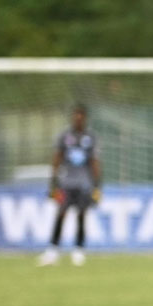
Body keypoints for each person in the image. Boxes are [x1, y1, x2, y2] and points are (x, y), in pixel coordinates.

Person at [39, 104, 101, 267]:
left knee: (81, 215)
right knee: (60, 214)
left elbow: (95, 163)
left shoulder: (90, 138)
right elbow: (57, 159)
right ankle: (52, 250)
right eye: (75, 116)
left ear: (85, 118)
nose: (78, 119)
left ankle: (78, 251)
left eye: (81, 116)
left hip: (84, 185)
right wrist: (53, 183)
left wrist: (97, 186)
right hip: (65, 183)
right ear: (72, 117)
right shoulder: (64, 136)